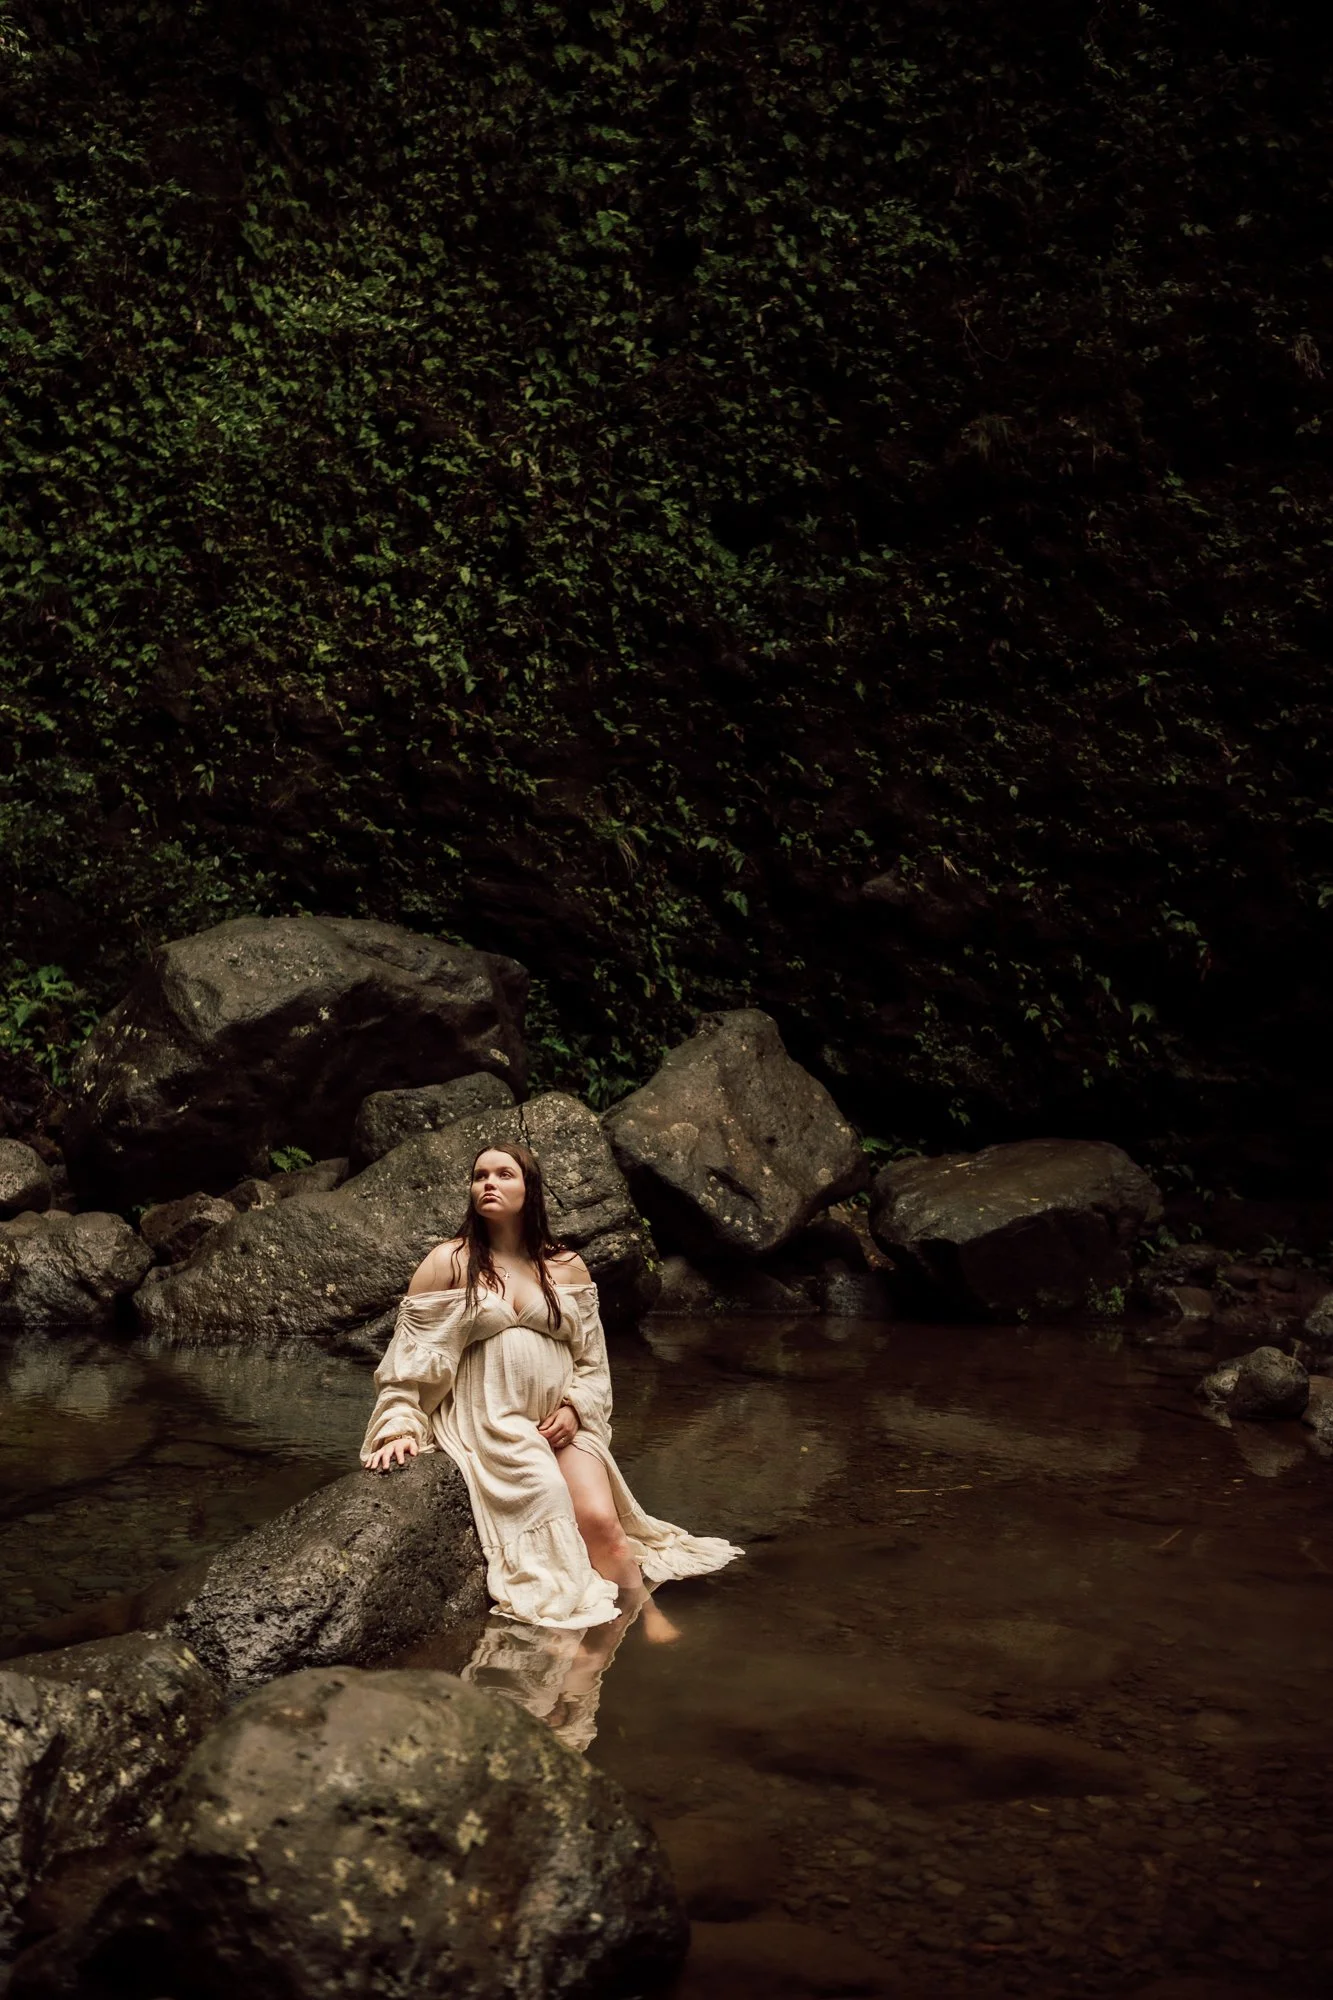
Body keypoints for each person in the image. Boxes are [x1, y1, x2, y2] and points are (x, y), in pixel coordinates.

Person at [361, 1142, 741, 1638]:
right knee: (549, 1502)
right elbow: (409, 1361)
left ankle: (643, 1614)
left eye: (503, 1174)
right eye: (479, 1176)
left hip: (559, 1422)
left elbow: (592, 1360)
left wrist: (576, 1408)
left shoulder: (566, 1266)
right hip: (493, 1423)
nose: (488, 1184)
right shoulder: (449, 1263)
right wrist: (399, 1426)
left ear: (530, 1188)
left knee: (604, 1522)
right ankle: (586, 1648)